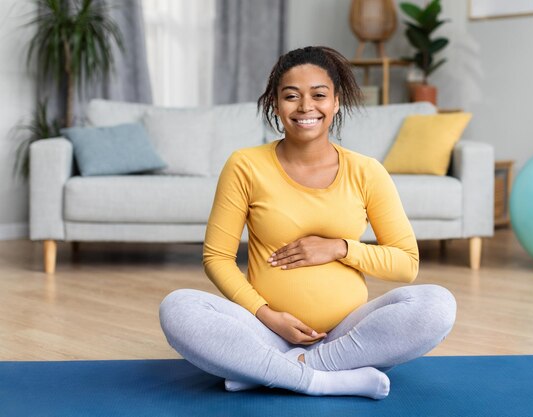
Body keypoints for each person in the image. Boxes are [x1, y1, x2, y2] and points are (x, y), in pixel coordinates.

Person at [159, 46, 456, 400]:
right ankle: (320, 378)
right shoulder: (245, 165)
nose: (305, 107)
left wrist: (340, 248)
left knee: (437, 305)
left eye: (318, 95)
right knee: (178, 307)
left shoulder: (366, 172)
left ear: (336, 102)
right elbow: (217, 258)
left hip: (350, 335)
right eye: (291, 96)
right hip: (265, 329)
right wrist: (267, 315)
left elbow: (407, 265)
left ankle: (274, 369)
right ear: (274, 103)